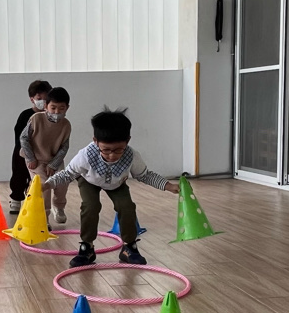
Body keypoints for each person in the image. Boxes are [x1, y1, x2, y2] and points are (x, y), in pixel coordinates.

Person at [43, 108, 178, 267]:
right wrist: (47, 185)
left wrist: (168, 186)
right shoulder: (85, 155)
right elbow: (67, 174)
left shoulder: (131, 156)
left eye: (118, 150)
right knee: (90, 206)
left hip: (117, 182)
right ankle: (87, 247)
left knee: (127, 206)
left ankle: (129, 247)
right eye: (106, 150)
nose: (112, 155)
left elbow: (145, 175)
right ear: (95, 141)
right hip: (89, 181)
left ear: (127, 141)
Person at [20, 87, 71, 226]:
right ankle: (44, 217)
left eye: (61, 108)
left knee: (62, 182)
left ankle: (59, 207)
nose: (57, 112)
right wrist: (30, 158)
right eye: (53, 108)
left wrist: (53, 165)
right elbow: (24, 138)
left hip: (54, 160)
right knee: (43, 186)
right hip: (36, 160)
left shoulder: (66, 125)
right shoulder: (36, 118)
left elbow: (64, 147)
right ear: (46, 106)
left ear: (67, 108)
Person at [10, 80, 52, 213]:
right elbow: (20, 136)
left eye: (45, 98)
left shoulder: (51, 116)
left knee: (38, 179)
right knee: (19, 175)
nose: (42, 102)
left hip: (42, 153)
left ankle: (34, 202)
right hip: (23, 152)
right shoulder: (25, 115)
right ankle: (16, 199)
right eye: (39, 99)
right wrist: (28, 155)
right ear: (32, 99)